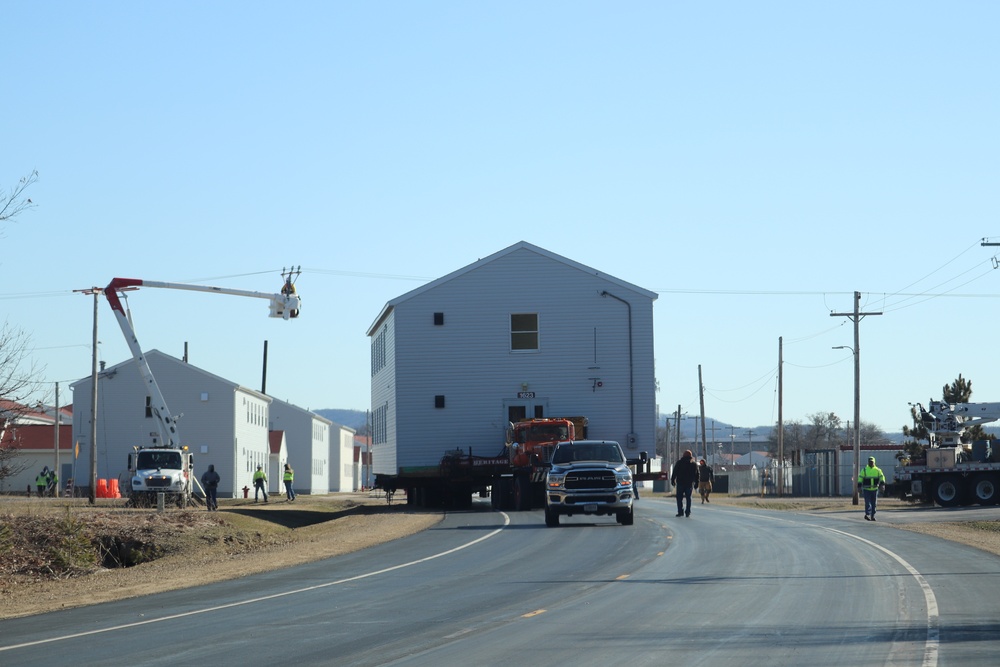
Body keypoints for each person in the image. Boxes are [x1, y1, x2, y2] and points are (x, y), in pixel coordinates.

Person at [670, 449, 699, 517]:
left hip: (680, 482)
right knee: (688, 498)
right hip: (689, 483)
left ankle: (680, 511)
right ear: (691, 456)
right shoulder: (694, 464)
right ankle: (688, 511)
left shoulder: (679, 463)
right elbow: (697, 474)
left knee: (679, 498)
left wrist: (673, 480)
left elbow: (675, 472)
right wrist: (696, 483)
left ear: (683, 455)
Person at [859, 456, 886, 521]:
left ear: (874, 462)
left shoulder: (878, 470)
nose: (871, 463)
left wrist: (882, 485)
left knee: (874, 503)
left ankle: (872, 516)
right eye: (870, 462)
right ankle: (867, 514)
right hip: (867, 490)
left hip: (875, 489)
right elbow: (860, 478)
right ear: (868, 462)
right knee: (867, 503)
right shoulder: (864, 470)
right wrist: (859, 487)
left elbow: (882, 477)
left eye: (872, 462)